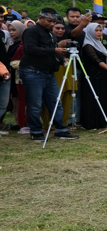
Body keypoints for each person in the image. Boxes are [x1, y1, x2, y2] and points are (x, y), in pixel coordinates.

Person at [19, 8, 79, 140]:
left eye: (53, 21)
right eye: (49, 21)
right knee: (35, 104)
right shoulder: (31, 31)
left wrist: (61, 57)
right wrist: (54, 50)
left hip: (49, 72)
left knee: (55, 102)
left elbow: (51, 51)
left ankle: (61, 130)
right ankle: (36, 132)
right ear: (40, 18)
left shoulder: (50, 34)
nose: (52, 24)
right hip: (32, 71)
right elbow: (30, 49)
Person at [77, 23, 107, 130]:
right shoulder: (88, 44)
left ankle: (101, 121)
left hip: (101, 75)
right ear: (90, 31)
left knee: (102, 97)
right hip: (91, 76)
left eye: (100, 30)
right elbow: (95, 59)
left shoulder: (99, 43)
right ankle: (91, 123)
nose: (99, 33)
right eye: (96, 30)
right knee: (91, 99)